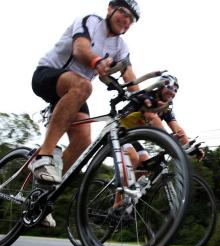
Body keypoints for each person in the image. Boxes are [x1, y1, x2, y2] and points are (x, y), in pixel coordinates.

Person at [29, 0, 141, 227]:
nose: (126, 20)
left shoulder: (121, 46)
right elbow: (80, 49)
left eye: (131, 19)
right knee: (84, 87)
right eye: (123, 13)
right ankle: (44, 156)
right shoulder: (91, 21)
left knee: (83, 141)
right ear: (110, 9)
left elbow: (130, 78)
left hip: (76, 91)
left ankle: (43, 195)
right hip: (49, 75)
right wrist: (96, 61)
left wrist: (144, 99)